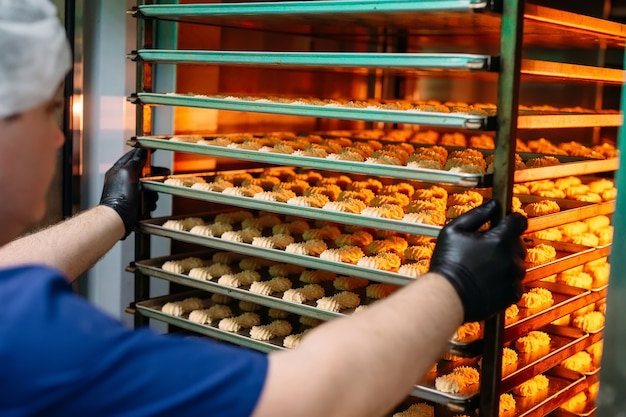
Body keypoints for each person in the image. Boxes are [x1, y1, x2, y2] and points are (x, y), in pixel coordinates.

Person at [0, 1, 528, 416]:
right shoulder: (43, 349)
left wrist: (114, 212)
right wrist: (453, 286)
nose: (54, 138)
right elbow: (312, 401)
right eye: (45, 112)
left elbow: (10, 276)